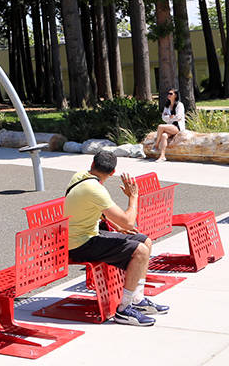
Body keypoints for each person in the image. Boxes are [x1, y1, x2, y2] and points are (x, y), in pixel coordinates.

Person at [65, 150, 170, 326]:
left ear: (92, 164)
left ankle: (137, 299)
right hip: (80, 245)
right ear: (112, 173)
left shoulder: (80, 177)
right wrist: (133, 197)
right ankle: (123, 310)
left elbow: (88, 209)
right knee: (140, 251)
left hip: (83, 237)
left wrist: (118, 227)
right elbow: (130, 222)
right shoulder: (96, 189)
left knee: (145, 240)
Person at [152, 88, 186, 162]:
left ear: (175, 95)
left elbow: (179, 117)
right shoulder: (167, 106)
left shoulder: (180, 105)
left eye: (171, 94)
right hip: (170, 127)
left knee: (160, 126)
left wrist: (170, 117)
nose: (169, 95)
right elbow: (163, 118)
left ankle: (156, 145)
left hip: (177, 127)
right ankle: (162, 156)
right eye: (168, 93)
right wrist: (171, 117)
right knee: (164, 135)